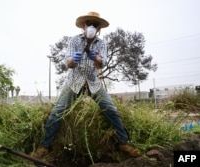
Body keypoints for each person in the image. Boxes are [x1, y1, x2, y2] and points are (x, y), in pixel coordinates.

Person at [31, 11, 140, 159]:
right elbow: (68, 63)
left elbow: (102, 63)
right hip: (74, 81)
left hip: (93, 82)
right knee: (58, 111)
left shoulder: (102, 44)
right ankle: (45, 146)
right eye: (89, 23)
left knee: (111, 109)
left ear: (99, 28)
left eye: (95, 24)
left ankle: (123, 142)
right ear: (84, 25)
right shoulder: (74, 41)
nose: (92, 26)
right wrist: (73, 60)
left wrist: (96, 58)